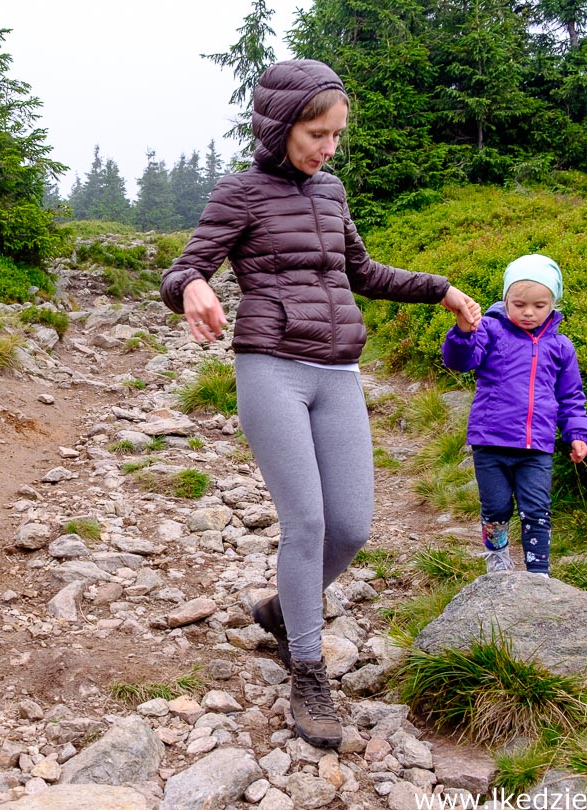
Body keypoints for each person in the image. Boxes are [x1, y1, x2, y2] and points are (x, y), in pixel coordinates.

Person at [159, 59, 481, 749]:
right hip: (270, 367)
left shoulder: (331, 193)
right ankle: (308, 668)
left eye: (336, 135)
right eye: (316, 134)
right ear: (280, 127)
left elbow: (362, 272)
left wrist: (440, 288)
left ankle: (282, 607)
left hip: (338, 371)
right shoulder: (239, 193)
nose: (327, 148)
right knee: (305, 520)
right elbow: (186, 266)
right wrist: (190, 288)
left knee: (353, 528)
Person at [442, 253, 587, 577]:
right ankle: (497, 560)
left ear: (554, 302)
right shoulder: (491, 331)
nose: (528, 312)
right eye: (519, 303)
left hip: (536, 447)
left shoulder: (561, 346)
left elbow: (571, 396)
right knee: (496, 508)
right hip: (490, 442)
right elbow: (459, 359)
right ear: (506, 298)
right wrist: (464, 330)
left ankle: (539, 572)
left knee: (537, 508)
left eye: (539, 305)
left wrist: (577, 434)